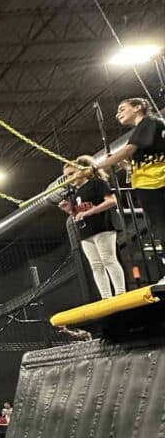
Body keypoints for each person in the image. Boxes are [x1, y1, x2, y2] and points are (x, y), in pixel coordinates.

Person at [93, 98, 165, 273]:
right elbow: (141, 158)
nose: (118, 113)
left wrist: (97, 166)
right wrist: (126, 166)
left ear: (138, 107)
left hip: (155, 184)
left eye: (122, 108)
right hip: (148, 184)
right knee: (159, 226)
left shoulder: (149, 122)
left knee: (162, 226)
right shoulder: (143, 131)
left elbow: (127, 150)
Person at [59, 156, 126, 299]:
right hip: (85, 231)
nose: (69, 178)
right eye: (66, 176)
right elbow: (79, 213)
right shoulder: (75, 193)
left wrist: (90, 211)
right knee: (95, 264)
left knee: (108, 259)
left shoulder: (96, 183)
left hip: (102, 226)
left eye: (71, 174)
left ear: (83, 171)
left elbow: (111, 201)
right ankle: (106, 296)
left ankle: (120, 292)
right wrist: (70, 210)